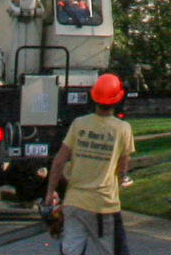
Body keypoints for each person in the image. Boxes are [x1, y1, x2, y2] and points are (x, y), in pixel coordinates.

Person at [51, 73, 135, 255]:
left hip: (74, 203)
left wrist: (50, 194)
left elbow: (59, 162)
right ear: (118, 99)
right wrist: (122, 179)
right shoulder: (123, 129)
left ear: (94, 96)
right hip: (103, 205)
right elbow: (122, 168)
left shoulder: (79, 124)